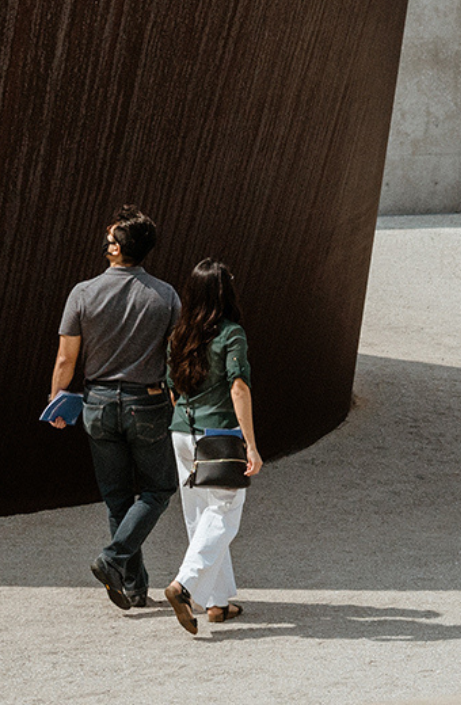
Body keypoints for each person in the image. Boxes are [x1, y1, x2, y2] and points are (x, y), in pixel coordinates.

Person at [48, 205, 180, 611]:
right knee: (158, 488)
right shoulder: (166, 295)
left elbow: (66, 359)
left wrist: (56, 398)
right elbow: (174, 357)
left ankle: (130, 580)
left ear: (117, 247)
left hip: (98, 403)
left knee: (117, 497)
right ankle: (117, 563)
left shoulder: (83, 292)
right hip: (149, 402)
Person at [159, 258, 263, 636]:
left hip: (181, 431)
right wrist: (250, 444)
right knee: (224, 512)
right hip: (218, 433)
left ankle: (218, 603)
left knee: (199, 516)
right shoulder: (232, 334)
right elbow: (239, 387)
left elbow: (173, 389)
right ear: (226, 291)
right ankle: (185, 586)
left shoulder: (179, 335)